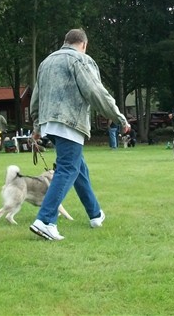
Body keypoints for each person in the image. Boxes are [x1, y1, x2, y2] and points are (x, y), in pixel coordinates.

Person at [29, 28, 129, 241]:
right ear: (84, 44)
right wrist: (120, 117)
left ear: (66, 41)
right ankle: (45, 221)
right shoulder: (80, 60)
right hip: (69, 121)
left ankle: (95, 214)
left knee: (78, 167)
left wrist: (37, 126)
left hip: (49, 123)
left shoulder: (46, 62)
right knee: (68, 168)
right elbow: (95, 92)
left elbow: (36, 97)